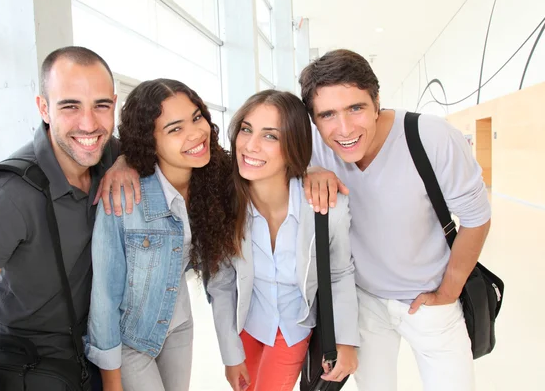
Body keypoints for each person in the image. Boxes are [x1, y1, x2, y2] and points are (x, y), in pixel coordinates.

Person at [299, 49, 491, 391]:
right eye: (327, 114)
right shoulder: (314, 146)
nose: (344, 129)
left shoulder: (432, 137)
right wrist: (308, 171)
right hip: (365, 301)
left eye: (355, 108)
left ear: (376, 103)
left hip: (430, 299)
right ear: (314, 119)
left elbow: (476, 219)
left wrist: (448, 291)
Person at [0, 46, 132, 390]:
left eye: (101, 106)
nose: (89, 123)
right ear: (44, 108)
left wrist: (126, 162)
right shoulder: (5, 197)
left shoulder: (110, 155)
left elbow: (153, 146)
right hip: (26, 369)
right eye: (70, 106)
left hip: (92, 359)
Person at [85, 79, 236, 391]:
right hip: (131, 340)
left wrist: (313, 171)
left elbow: (269, 166)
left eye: (197, 118)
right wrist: (112, 383)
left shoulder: (214, 178)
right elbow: (104, 295)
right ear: (150, 142)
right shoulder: (126, 198)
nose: (196, 133)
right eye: (175, 129)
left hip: (179, 325)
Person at [206, 90, 359, 391]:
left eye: (270, 136)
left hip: (292, 326)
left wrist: (346, 340)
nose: (250, 145)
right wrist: (230, 353)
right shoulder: (226, 204)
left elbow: (340, 273)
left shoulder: (327, 207)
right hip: (247, 325)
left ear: (293, 147)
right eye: (246, 130)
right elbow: (221, 282)